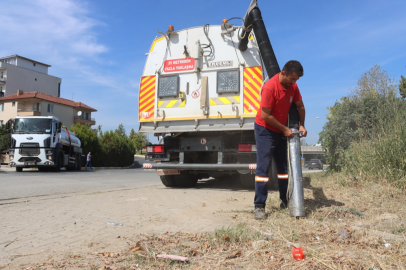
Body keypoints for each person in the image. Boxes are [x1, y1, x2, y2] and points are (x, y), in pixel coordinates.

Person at [253, 60, 307, 220]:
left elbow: (300, 106)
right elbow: (265, 115)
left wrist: (302, 125)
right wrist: (285, 129)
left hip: (281, 130)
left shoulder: (293, 87)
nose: (294, 83)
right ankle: (259, 206)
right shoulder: (270, 87)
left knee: (283, 168)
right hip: (265, 129)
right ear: (283, 73)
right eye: (292, 79)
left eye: (296, 80)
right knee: (263, 168)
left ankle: (285, 200)